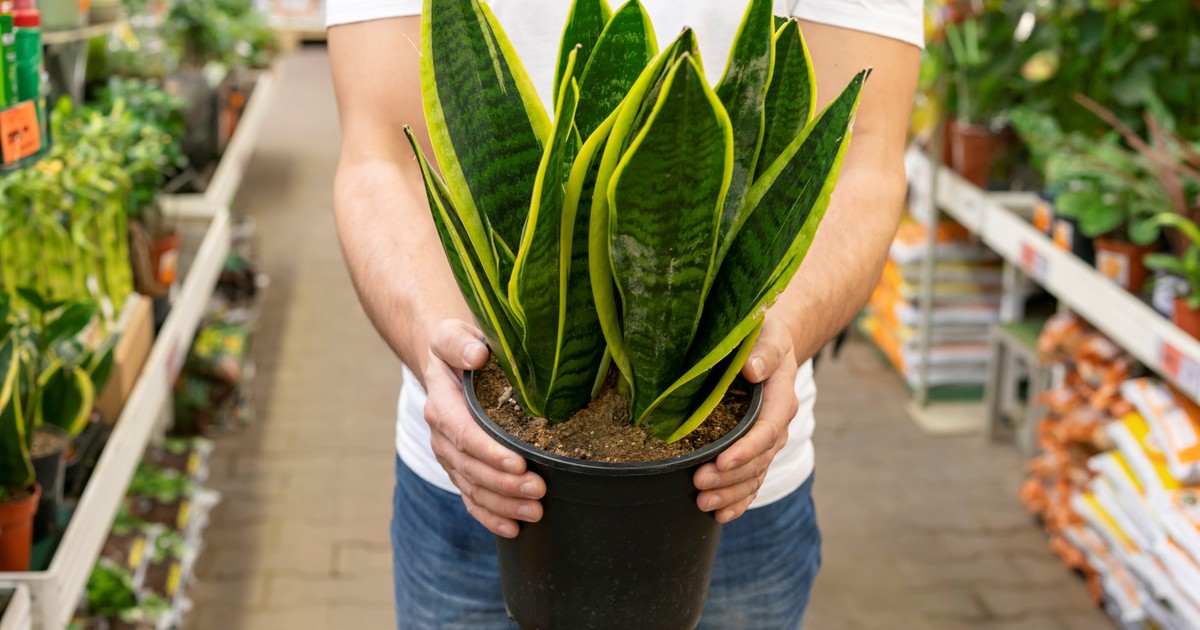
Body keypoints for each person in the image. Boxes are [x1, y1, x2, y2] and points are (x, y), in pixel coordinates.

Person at [327, 1, 921, 627]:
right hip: (470, 476)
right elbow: (378, 157)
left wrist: (774, 335)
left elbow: (864, 158)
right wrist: (438, 345)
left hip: (734, 490)